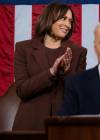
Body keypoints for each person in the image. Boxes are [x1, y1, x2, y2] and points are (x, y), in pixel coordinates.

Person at [13, 2, 87, 131]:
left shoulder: (78, 52)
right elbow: (22, 90)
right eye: (63, 19)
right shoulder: (23, 49)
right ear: (49, 18)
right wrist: (51, 72)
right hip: (30, 124)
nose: (67, 25)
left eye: (70, 21)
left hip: (65, 125)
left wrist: (65, 72)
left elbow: (78, 94)